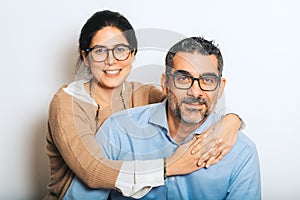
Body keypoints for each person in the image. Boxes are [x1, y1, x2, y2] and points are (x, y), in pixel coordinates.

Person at [45, 10, 243, 199]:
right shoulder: (67, 103)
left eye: (120, 50)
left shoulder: (142, 93)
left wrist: (232, 121)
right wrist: (170, 167)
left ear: (132, 54)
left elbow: (189, 105)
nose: (111, 60)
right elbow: (93, 172)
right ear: (85, 58)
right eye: (99, 51)